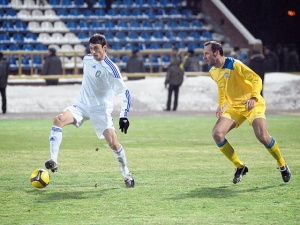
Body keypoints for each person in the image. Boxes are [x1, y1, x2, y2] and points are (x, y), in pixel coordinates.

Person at [44, 34, 134, 188]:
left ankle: (127, 174)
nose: (93, 52)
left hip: (101, 110)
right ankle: (54, 161)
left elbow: (125, 93)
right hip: (81, 105)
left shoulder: (111, 68)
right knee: (58, 120)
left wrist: (123, 116)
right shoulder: (87, 59)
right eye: (91, 48)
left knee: (113, 143)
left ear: (104, 48)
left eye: (96, 48)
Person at [203, 41, 291, 184]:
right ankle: (240, 167)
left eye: (206, 53)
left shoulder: (234, 64)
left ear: (216, 53)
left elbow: (256, 78)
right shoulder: (212, 71)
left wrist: (254, 97)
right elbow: (221, 87)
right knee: (217, 134)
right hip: (234, 107)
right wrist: (220, 105)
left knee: (262, 136)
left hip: (252, 103)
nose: (204, 56)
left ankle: (282, 164)